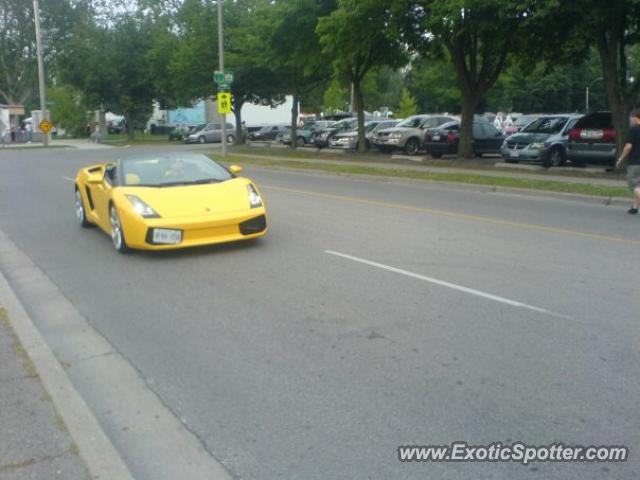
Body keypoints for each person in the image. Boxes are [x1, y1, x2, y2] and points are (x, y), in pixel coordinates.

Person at [616, 109, 640, 214]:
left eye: (631, 118)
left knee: (634, 185)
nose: (630, 121)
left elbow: (628, 146)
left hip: (635, 162)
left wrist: (621, 159)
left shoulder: (634, 130)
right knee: (638, 185)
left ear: (636, 117)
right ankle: (635, 207)